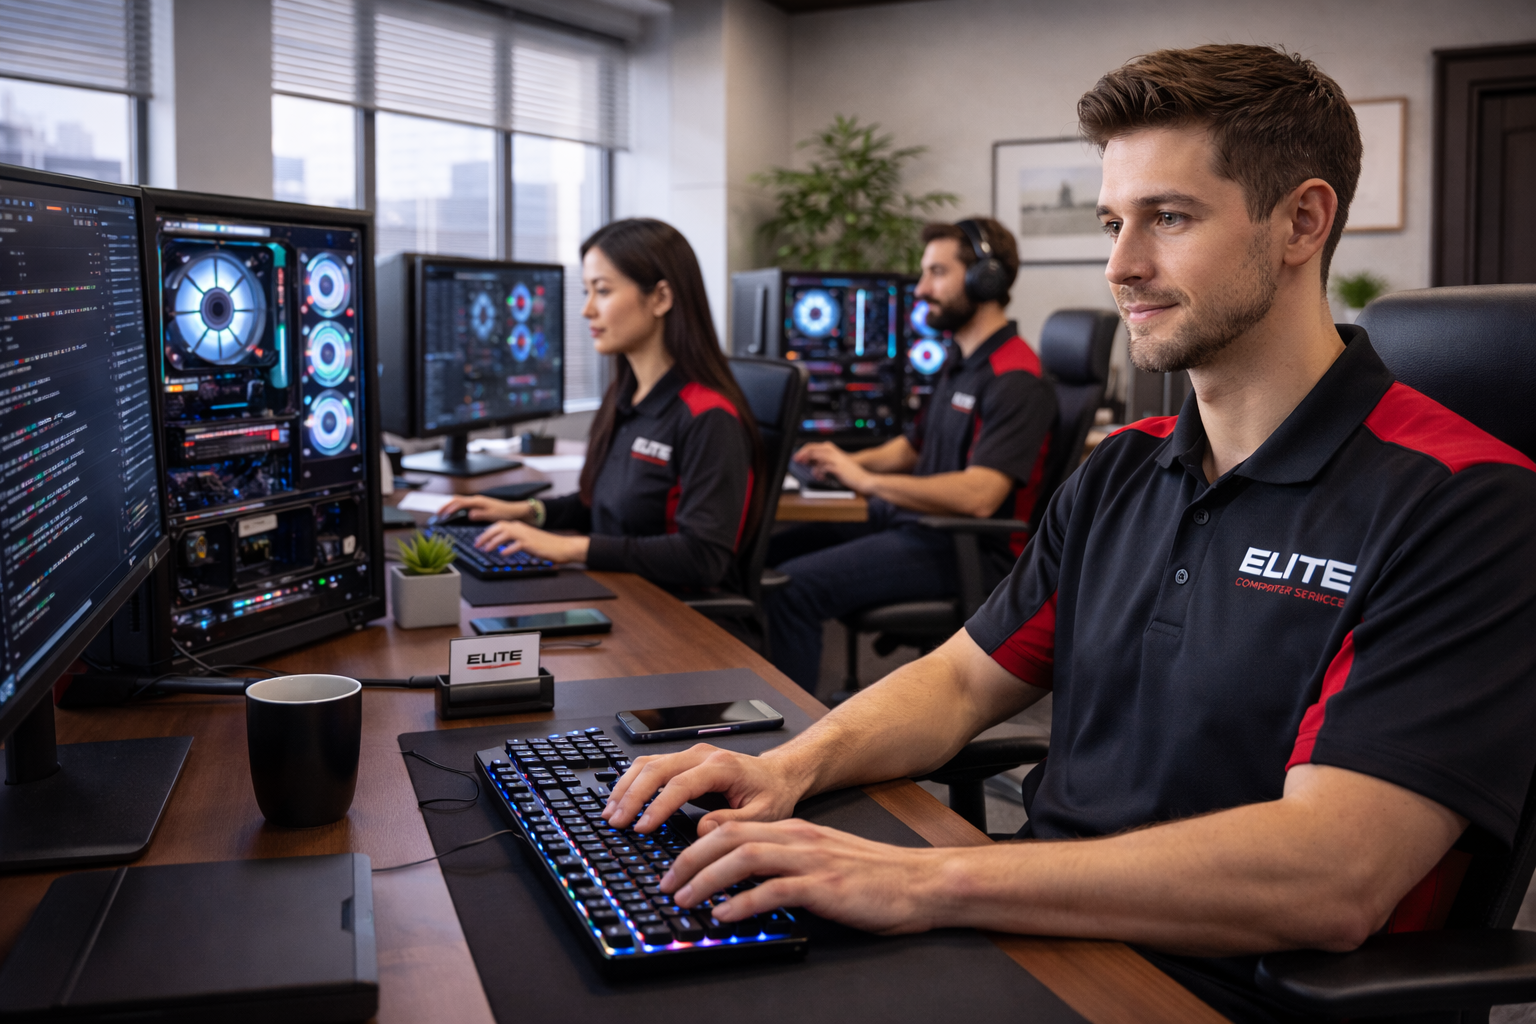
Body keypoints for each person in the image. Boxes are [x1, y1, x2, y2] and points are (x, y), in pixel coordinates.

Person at [599, 44, 1536, 1023]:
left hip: (1220, 989)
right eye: (1113, 221)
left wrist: (928, 881)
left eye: (1168, 218)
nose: (1120, 265)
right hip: (1032, 933)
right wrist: (785, 765)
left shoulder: (1468, 501)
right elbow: (962, 679)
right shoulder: (1125, 466)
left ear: (1302, 220)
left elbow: (1332, 874)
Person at [765, 217, 1057, 691]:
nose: (921, 289)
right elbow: (911, 447)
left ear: (988, 278)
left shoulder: (1015, 377)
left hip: (968, 549)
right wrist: (845, 461)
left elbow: (981, 495)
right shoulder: (961, 362)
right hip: (914, 524)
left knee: (794, 590)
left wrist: (866, 482)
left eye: (937, 273)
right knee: (764, 551)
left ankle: (791, 740)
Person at [440, 218, 765, 595]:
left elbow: (703, 557)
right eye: (586, 292)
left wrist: (571, 548)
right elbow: (605, 506)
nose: (587, 310)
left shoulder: (708, 417)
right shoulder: (623, 396)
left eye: (603, 291)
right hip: (624, 592)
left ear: (660, 298)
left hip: (678, 620)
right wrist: (527, 512)